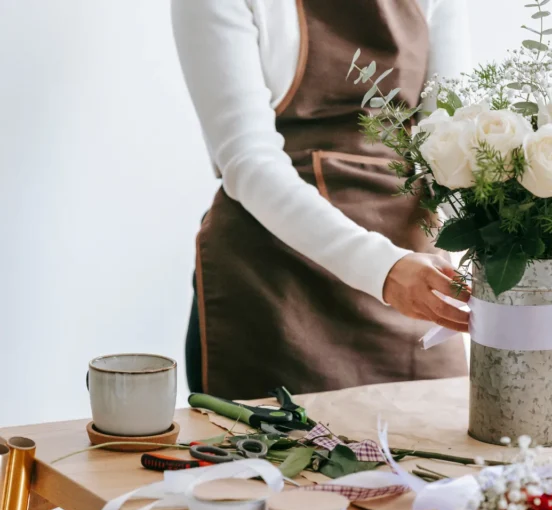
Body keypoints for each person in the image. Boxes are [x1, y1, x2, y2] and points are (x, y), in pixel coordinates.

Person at [171, 0, 471, 399]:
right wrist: (383, 269)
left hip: (414, 286)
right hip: (273, 290)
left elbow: (451, 143)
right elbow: (248, 161)